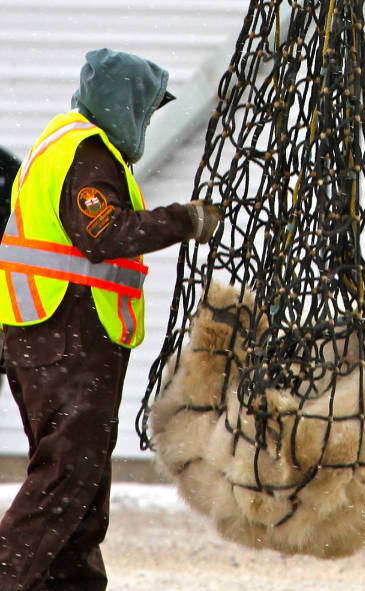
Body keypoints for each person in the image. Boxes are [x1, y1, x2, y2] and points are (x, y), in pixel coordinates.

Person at [0, 48, 222, 591]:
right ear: (122, 103)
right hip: (64, 336)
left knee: (83, 485)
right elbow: (104, 234)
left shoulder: (69, 145)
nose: (147, 122)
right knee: (65, 478)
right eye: (145, 109)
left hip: (57, 339)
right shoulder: (87, 153)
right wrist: (185, 220)